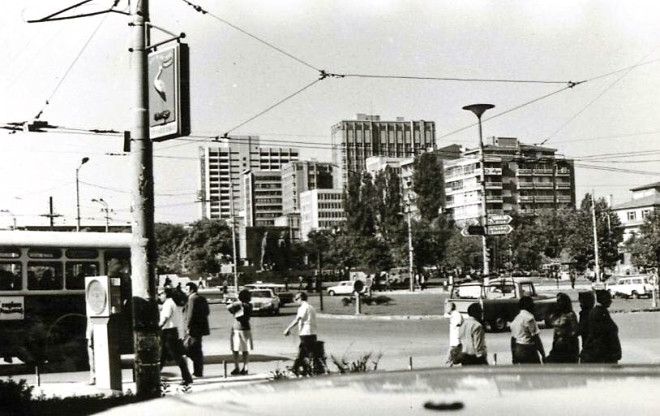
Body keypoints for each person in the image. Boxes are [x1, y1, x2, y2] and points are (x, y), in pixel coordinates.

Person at [159, 286, 193, 385]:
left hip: (168, 333)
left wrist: (158, 327)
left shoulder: (168, 304)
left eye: (161, 294)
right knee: (162, 356)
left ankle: (187, 378)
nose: (159, 296)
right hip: (172, 332)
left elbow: (165, 318)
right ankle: (155, 377)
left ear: (166, 294)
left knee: (177, 356)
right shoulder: (173, 303)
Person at [284, 292, 321, 374]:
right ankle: (295, 368)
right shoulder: (311, 307)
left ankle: (315, 368)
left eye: (296, 299)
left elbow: (297, 320)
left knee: (308, 352)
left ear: (300, 298)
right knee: (302, 352)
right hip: (312, 332)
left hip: (305, 333)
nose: (296, 300)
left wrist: (288, 329)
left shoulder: (303, 307)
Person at [580, 290, 622, 363]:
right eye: (608, 299)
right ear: (603, 299)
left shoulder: (600, 311)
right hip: (602, 350)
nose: (610, 301)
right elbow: (606, 332)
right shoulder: (600, 312)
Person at [184, 282, 210, 377]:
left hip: (193, 329)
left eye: (186, 290)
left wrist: (187, 327)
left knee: (191, 349)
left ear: (191, 290)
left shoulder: (192, 299)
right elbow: (207, 312)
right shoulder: (202, 298)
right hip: (200, 328)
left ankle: (196, 371)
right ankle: (198, 371)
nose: (185, 292)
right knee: (197, 349)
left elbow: (189, 315)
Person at [510, 296, 546, 364]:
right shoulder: (529, 318)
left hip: (518, 349)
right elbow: (536, 338)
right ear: (529, 306)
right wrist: (542, 354)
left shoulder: (516, 319)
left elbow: (513, 339)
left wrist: (513, 356)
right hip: (528, 350)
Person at [546, 292, 579, 363]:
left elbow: (575, 331)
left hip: (568, 345)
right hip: (557, 343)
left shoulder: (570, 315)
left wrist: (565, 337)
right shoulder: (556, 314)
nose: (557, 303)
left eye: (559, 301)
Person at [227, 289, 253, 375]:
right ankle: (245, 367)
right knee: (245, 350)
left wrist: (233, 301)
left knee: (235, 349)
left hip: (237, 328)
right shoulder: (249, 305)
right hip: (246, 328)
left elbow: (229, 308)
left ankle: (236, 367)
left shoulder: (239, 305)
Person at [444, 301, 464, 365]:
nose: (445, 309)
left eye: (446, 307)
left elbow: (459, 323)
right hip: (454, 341)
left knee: (452, 358)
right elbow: (445, 315)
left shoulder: (456, 315)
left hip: (456, 341)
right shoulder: (453, 314)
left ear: (450, 308)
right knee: (451, 358)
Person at [85, 317, 95, 385]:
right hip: (91, 334)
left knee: (93, 359)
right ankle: (93, 377)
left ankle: (93, 377)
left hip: (93, 334)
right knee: (92, 359)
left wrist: (89, 338)